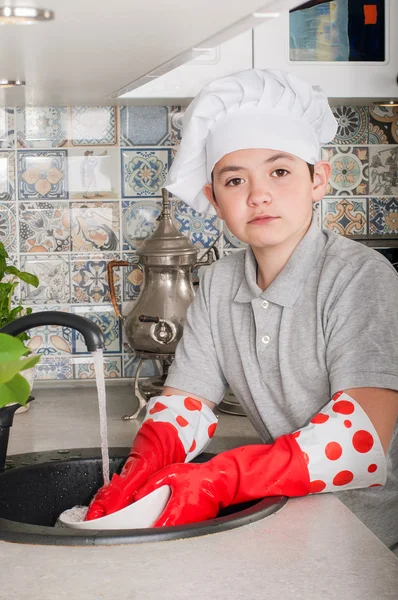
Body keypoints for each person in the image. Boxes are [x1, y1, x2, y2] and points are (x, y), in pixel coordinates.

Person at [86, 69, 398, 553]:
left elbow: (361, 439)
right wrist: (145, 463)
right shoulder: (218, 282)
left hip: (374, 537)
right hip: (294, 515)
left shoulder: (361, 276)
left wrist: (223, 477)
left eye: (279, 171)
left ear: (318, 179)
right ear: (214, 200)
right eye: (235, 180)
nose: (258, 194)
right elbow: (188, 402)